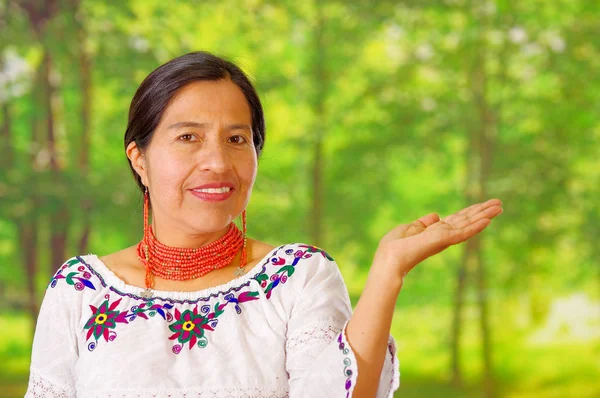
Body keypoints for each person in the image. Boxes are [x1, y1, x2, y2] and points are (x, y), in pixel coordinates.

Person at [25, 51, 503, 398]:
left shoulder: (296, 277)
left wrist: (388, 272)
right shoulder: (80, 290)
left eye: (237, 138)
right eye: (188, 137)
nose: (217, 161)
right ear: (140, 160)